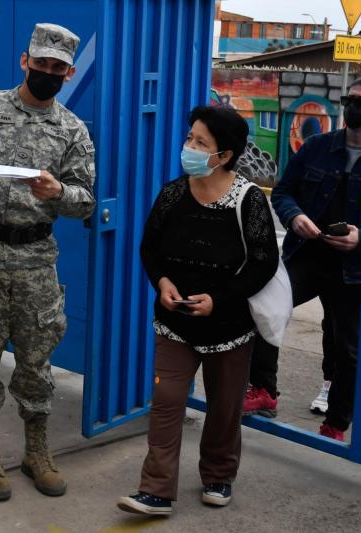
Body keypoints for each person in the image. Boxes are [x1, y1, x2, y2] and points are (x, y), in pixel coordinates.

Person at [0, 23, 96, 502]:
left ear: (68, 73)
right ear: (24, 61)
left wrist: (59, 192)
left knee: (36, 359)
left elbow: (86, 200)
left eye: (57, 67)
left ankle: (37, 450)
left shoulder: (72, 129)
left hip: (35, 259)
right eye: (40, 63)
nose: (47, 72)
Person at [117, 106, 279, 515]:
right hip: (175, 322)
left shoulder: (249, 201)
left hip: (229, 325)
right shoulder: (173, 193)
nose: (188, 147)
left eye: (200, 142)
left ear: (223, 155)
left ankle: (218, 476)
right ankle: (155, 489)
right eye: (190, 138)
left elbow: (264, 262)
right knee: (167, 400)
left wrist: (219, 300)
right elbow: (150, 248)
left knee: (225, 407)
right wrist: (163, 283)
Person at [243, 76, 361, 441]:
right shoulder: (317, 146)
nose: (354, 106)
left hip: (353, 269)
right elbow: (283, 192)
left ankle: (335, 424)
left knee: (347, 348)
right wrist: (294, 217)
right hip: (307, 255)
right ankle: (264, 391)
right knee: (263, 308)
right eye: (351, 99)